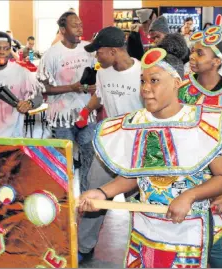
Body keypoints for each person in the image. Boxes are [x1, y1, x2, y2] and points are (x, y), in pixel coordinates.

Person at [79, 42, 222, 268]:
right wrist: (102, 193)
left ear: (176, 83)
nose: (145, 88)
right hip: (147, 228)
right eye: (142, 80)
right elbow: (135, 174)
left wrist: (189, 196)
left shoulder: (203, 124)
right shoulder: (136, 124)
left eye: (154, 81)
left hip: (188, 229)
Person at [75, 26, 144, 263]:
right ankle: (85, 246)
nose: (96, 57)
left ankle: (143, 247)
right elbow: (100, 97)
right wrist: (85, 110)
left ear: (113, 51)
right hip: (109, 143)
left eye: (99, 52)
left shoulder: (144, 72)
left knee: (141, 201)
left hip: (140, 148)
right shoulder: (103, 73)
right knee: (95, 196)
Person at [181, 27, 222, 268]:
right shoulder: (180, 90)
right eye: (193, 52)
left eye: (200, 53)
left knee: (213, 242)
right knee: (186, 238)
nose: (193, 57)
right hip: (187, 173)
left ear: (216, 61)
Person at [37, 11, 95, 182]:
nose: (79, 29)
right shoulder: (51, 55)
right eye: (74, 25)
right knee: (65, 160)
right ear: (62, 29)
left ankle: (86, 196)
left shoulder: (88, 49)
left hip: (87, 112)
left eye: (80, 25)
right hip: (61, 117)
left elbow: (95, 75)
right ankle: (65, 197)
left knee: (88, 158)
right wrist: (71, 87)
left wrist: (93, 85)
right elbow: (43, 88)